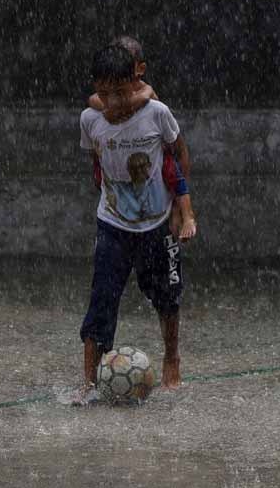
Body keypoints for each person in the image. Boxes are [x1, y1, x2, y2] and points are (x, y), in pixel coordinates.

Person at [75, 44, 195, 400]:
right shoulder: (89, 119)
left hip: (157, 224)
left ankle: (171, 356)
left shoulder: (157, 113)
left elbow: (178, 152)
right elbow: (95, 158)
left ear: (137, 83)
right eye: (104, 93)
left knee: (167, 295)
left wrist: (180, 206)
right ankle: (88, 382)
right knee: (101, 302)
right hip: (113, 224)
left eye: (121, 93)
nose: (113, 102)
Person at [87, 34, 197, 241]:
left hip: (153, 166)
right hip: (118, 185)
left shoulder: (149, 98)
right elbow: (93, 100)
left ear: (139, 69)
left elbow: (179, 150)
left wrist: (177, 209)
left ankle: (186, 213)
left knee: (172, 174)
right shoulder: (103, 100)